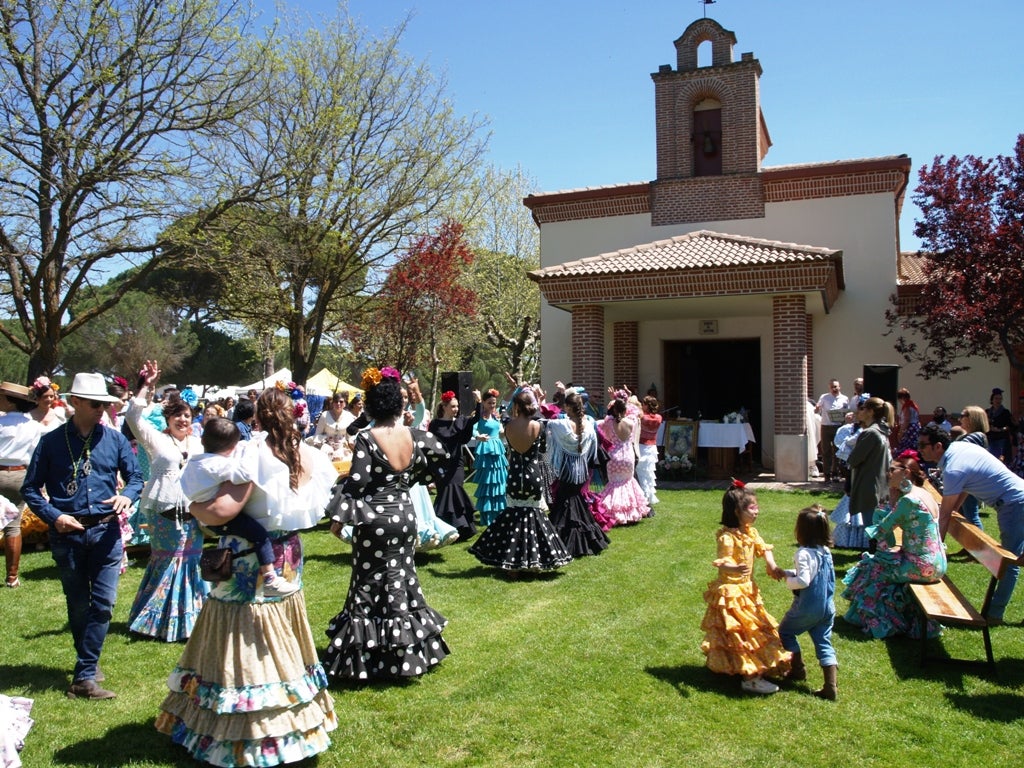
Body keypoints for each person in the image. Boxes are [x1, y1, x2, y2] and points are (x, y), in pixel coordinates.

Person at [156, 386, 338, 764]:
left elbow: (223, 510)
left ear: (258, 418)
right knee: (280, 629)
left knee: (246, 633)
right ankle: (290, 718)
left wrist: (194, 506)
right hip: (287, 551)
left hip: (249, 556)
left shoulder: (253, 454)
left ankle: (248, 731)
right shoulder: (311, 455)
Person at [323, 366, 451, 680]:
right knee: (402, 580)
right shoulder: (414, 435)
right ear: (399, 405)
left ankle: (367, 656)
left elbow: (358, 482)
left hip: (374, 518)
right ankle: (405, 653)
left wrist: (338, 520)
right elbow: (432, 466)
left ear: (371, 406)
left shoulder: (367, 438)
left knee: (367, 583)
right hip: (406, 516)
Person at [21, 372, 143, 699]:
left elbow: (135, 477)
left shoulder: (115, 439)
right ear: (75, 402)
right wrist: (54, 516)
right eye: (95, 404)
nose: (101, 409)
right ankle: (87, 664)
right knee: (78, 605)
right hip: (67, 533)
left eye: (104, 403)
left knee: (103, 604)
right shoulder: (51, 442)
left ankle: (84, 674)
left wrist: (127, 495)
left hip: (106, 532)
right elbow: (30, 488)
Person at [124, 360, 209, 642]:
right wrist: (144, 386)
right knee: (166, 561)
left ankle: (193, 618)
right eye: (178, 416)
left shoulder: (197, 444)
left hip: (194, 513)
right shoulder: (156, 441)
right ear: (169, 418)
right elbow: (133, 417)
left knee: (191, 563)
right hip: (164, 512)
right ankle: (156, 619)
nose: (183, 420)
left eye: (187, 416)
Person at [180, 417, 299, 597]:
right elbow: (244, 473)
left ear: (203, 440)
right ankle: (269, 578)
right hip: (221, 517)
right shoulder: (216, 465)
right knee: (258, 535)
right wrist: (249, 450)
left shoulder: (195, 463)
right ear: (233, 447)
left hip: (203, 512)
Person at [919, 424, 1024, 625]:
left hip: (1013, 505)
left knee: (1010, 562)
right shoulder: (960, 449)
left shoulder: (953, 468)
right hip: (1017, 499)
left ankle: (994, 614)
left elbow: (944, 514)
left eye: (923, 445)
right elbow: (966, 486)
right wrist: (956, 509)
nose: (919, 449)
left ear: (938, 446)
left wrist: (936, 549)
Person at [469, 385, 573, 575]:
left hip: (514, 474)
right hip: (532, 474)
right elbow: (541, 451)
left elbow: (508, 446)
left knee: (513, 515)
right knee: (533, 515)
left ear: (517, 407)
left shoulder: (508, 427)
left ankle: (511, 563)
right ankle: (534, 559)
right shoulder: (538, 426)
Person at [842, 451, 947, 638]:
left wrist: (891, 500)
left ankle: (883, 624)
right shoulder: (923, 493)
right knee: (881, 565)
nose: (887, 474)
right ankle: (906, 618)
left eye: (892, 470)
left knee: (871, 568)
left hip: (921, 565)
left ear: (905, 473)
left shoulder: (908, 500)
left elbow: (882, 531)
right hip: (937, 563)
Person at [700, 482, 791, 694]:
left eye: (757, 506)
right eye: (752, 508)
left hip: (748, 590)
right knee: (744, 635)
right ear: (736, 512)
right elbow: (723, 560)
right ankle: (750, 678)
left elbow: (764, 548)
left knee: (751, 632)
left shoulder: (751, 532)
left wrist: (772, 564)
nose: (757, 511)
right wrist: (734, 567)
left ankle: (746, 667)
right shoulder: (727, 537)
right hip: (731, 593)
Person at [775, 505, 838, 700]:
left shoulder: (803, 554)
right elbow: (814, 573)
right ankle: (830, 686)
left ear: (801, 531)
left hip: (808, 607)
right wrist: (787, 572)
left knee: (785, 632)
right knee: (823, 643)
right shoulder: (825, 551)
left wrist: (788, 580)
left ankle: (798, 669)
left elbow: (804, 580)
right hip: (827, 607)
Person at [546, 389, 610, 557]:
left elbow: (546, 424)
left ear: (568, 407)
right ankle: (586, 539)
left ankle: (563, 540)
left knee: (564, 502)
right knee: (576, 501)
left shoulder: (562, 425)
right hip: (581, 471)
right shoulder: (589, 426)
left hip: (567, 470)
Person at [0, 382, 43, 588]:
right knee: (13, 525)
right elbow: (36, 456)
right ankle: (12, 576)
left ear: (9, 400)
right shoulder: (34, 426)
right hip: (19, 474)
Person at [428, 389, 480, 541]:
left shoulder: (460, 421)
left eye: (457, 406)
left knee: (455, 490)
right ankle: (446, 527)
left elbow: (475, 419)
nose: (456, 409)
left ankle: (462, 527)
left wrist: (478, 402)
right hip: (441, 465)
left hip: (457, 465)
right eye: (452, 406)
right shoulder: (435, 424)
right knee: (444, 493)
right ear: (444, 407)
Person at [596, 391, 650, 526]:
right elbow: (636, 411)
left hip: (613, 456)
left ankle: (614, 512)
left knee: (614, 484)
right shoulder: (631, 422)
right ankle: (631, 512)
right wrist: (621, 401)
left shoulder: (608, 423)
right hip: (628, 456)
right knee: (628, 483)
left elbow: (596, 425)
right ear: (625, 409)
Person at [847, 396, 892, 533]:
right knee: (877, 525)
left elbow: (854, 459)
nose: (859, 412)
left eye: (863, 408)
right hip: (880, 484)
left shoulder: (870, 433)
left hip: (869, 485)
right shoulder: (882, 431)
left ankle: (875, 553)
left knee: (872, 527)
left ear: (871, 411)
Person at [473, 388, 508, 526]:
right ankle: (487, 514)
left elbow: (500, 431)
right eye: (489, 403)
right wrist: (478, 436)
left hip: (497, 449)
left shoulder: (495, 416)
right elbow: (474, 429)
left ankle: (500, 512)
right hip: (486, 449)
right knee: (488, 482)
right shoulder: (479, 416)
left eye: (494, 403)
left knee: (499, 480)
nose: (492, 406)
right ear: (483, 403)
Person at [953, 405, 989, 529]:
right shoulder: (973, 436)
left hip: (972, 480)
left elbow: (957, 448)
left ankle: (978, 546)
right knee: (969, 513)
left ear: (972, 419)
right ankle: (969, 548)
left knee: (971, 515)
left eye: (963, 416)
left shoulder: (977, 436)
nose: (960, 419)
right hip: (968, 480)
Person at [815, 379, 849, 482]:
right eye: (832, 387)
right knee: (826, 451)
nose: (834, 389)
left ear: (840, 387)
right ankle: (826, 474)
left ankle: (835, 473)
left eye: (836, 386)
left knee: (837, 451)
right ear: (829, 388)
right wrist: (817, 408)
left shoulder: (845, 399)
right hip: (826, 426)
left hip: (838, 427)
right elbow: (818, 408)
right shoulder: (824, 397)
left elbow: (846, 412)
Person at [636, 395, 663, 505]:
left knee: (641, 473)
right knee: (649, 473)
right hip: (652, 447)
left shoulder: (643, 418)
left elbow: (639, 415)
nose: (642, 406)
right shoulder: (659, 417)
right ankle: (649, 496)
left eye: (643, 404)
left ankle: (643, 497)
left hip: (642, 446)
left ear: (647, 406)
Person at [986, 387, 1014, 464]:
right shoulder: (987, 412)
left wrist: (1000, 429)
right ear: (992, 400)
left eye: (1000, 399)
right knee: (990, 459)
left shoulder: (1005, 412)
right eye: (996, 398)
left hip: (1001, 439)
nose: (998, 401)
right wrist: (990, 428)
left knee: (1000, 459)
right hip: (990, 439)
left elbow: (1010, 425)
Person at [895, 387, 921, 455]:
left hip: (909, 429)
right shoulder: (913, 405)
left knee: (906, 449)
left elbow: (906, 420)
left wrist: (900, 432)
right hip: (915, 428)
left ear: (902, 398)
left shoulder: (907, 406)